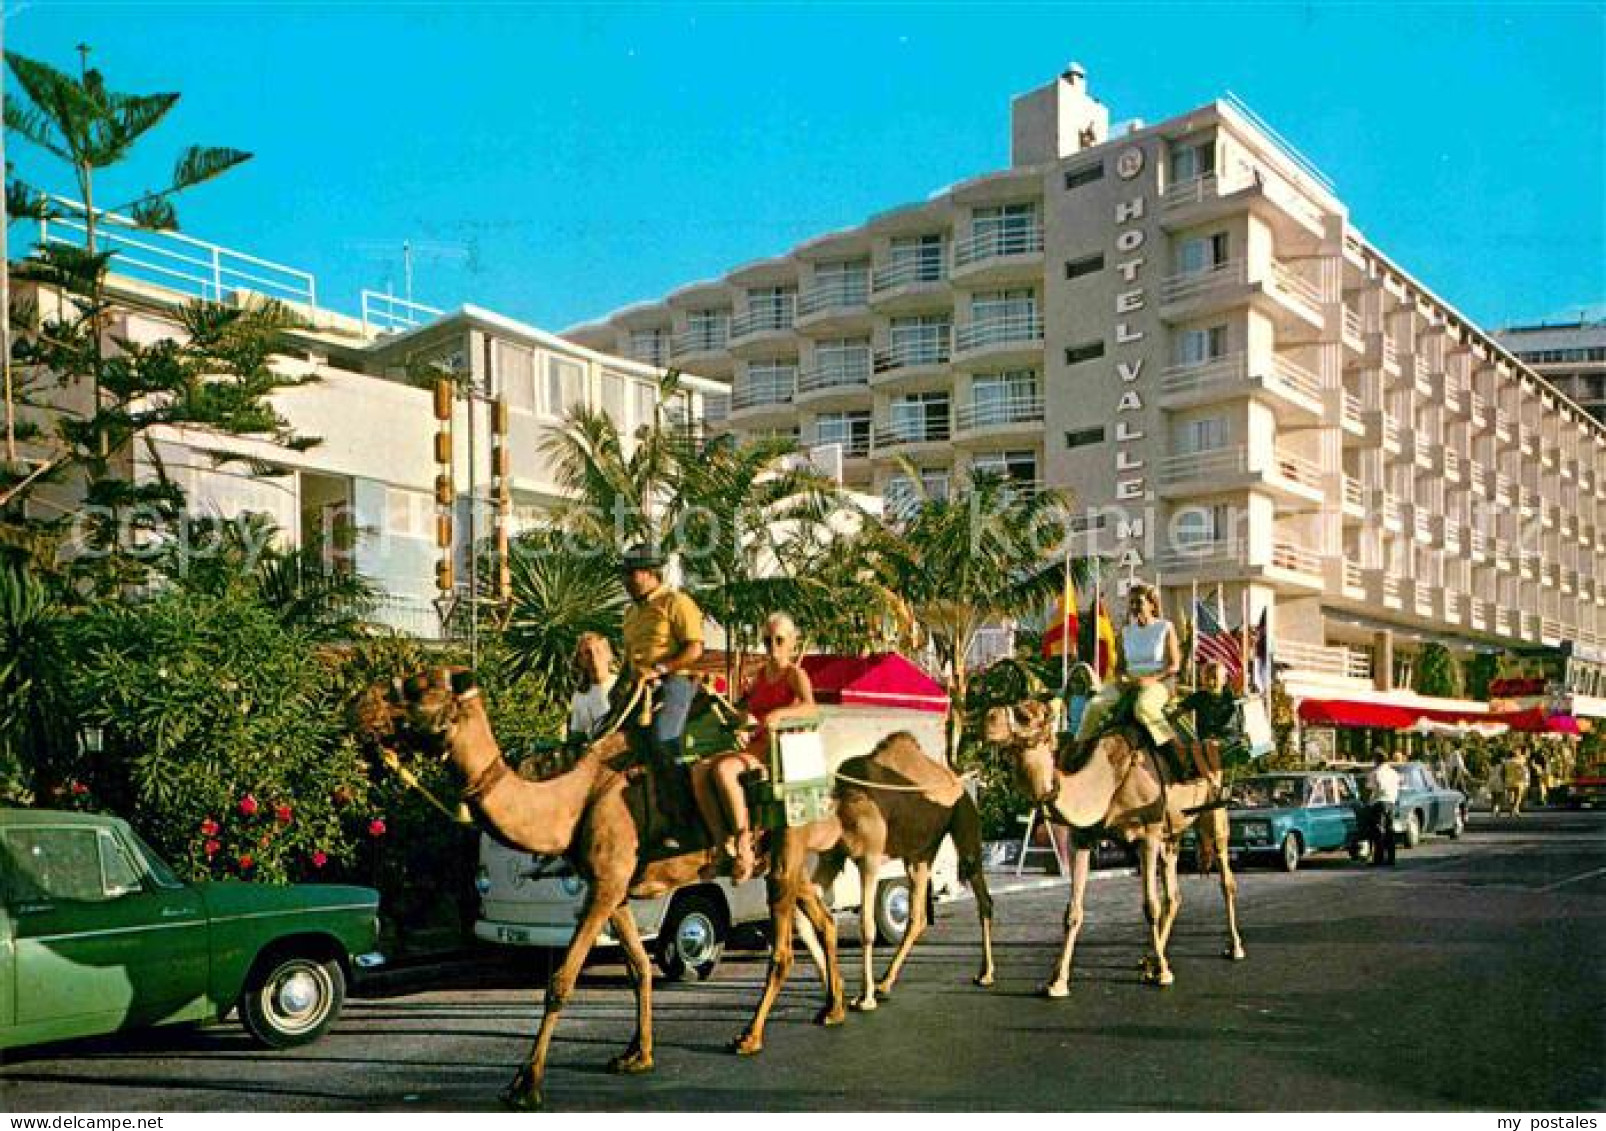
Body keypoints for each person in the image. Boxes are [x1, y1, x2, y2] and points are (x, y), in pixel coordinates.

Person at [691, 612, 815, 881]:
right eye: (768, 641)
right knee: (699, 770)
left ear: (792, 642)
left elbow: (811, 708)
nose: (773, 647)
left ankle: (745, 844)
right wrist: (721, 705)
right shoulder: (759, 675)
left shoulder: (794, 674)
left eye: (779, 640)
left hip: (776, 752)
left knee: (724, 771)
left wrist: (780, 715)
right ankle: (722, 845)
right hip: (753, 746)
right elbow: (744, 711)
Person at [619, 544, 706, 847]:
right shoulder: (630, 613)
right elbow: (628, 662)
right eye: (625, 575)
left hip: (673, 684)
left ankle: (683, 824)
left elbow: (694, 648)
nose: (627, 581)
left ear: (651, 573)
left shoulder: (676, 602)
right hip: (637, 689)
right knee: (612, 744)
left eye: (632, 574)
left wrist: (661, 669)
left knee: (662, 742)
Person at [1073, 582, 1184, 777]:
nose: (1134, 607)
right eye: (1131, 603)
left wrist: (1150, 680)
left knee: (1144, 707)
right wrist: (1122, 679)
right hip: (1130, 680)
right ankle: (1079, 750)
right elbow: (1120, 667)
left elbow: (1174, 666)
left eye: (1138, 602)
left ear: (1152, 604)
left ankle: (1176, 752)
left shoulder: (1165, 627)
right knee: (1094, 705)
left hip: (1160, 680)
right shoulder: (1126, 632)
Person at [1173, 660, 1238, 780]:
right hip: (1205, 738)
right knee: (1195, 747)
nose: (1210, 682)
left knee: (1211, 745)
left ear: (1223, 680)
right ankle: (1211, 780)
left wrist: (1218, 736)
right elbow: (1180, 710)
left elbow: (1232, 723)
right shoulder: (1199, 697)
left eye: (1214, 678)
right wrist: (1171, 715)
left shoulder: (1229, 699)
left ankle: (1218, 779)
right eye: (1206, 678)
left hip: (1226, 738)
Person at [1365, 752, 1401, 866]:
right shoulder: (1393, 773)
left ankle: (1378, 858)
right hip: (1391, 802)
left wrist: (1372, 796)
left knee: (1378, 832)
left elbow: (1373, 787)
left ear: (1377, 760)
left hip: (1379, 803)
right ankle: (1391, 858)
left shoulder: (1376, 773)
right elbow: (1397, 786)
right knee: (1389, 831)